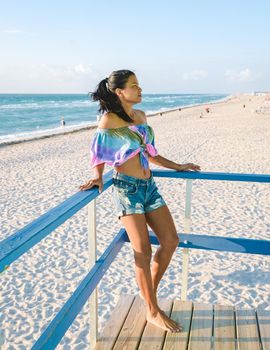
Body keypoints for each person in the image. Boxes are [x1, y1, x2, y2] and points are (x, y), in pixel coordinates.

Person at [79, 69, 201, 333]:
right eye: (134, 85)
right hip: (126, 190)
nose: (140, 89)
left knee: (171, 241)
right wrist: (97, 177)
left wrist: (178, 166)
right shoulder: (109, 120)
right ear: (120, 91)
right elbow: (98, 152)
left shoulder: (142, 117)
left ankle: (149, 297)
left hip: (149, 187)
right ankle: (152, 310)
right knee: (143, 250)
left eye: (139, 84)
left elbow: (151, 154)